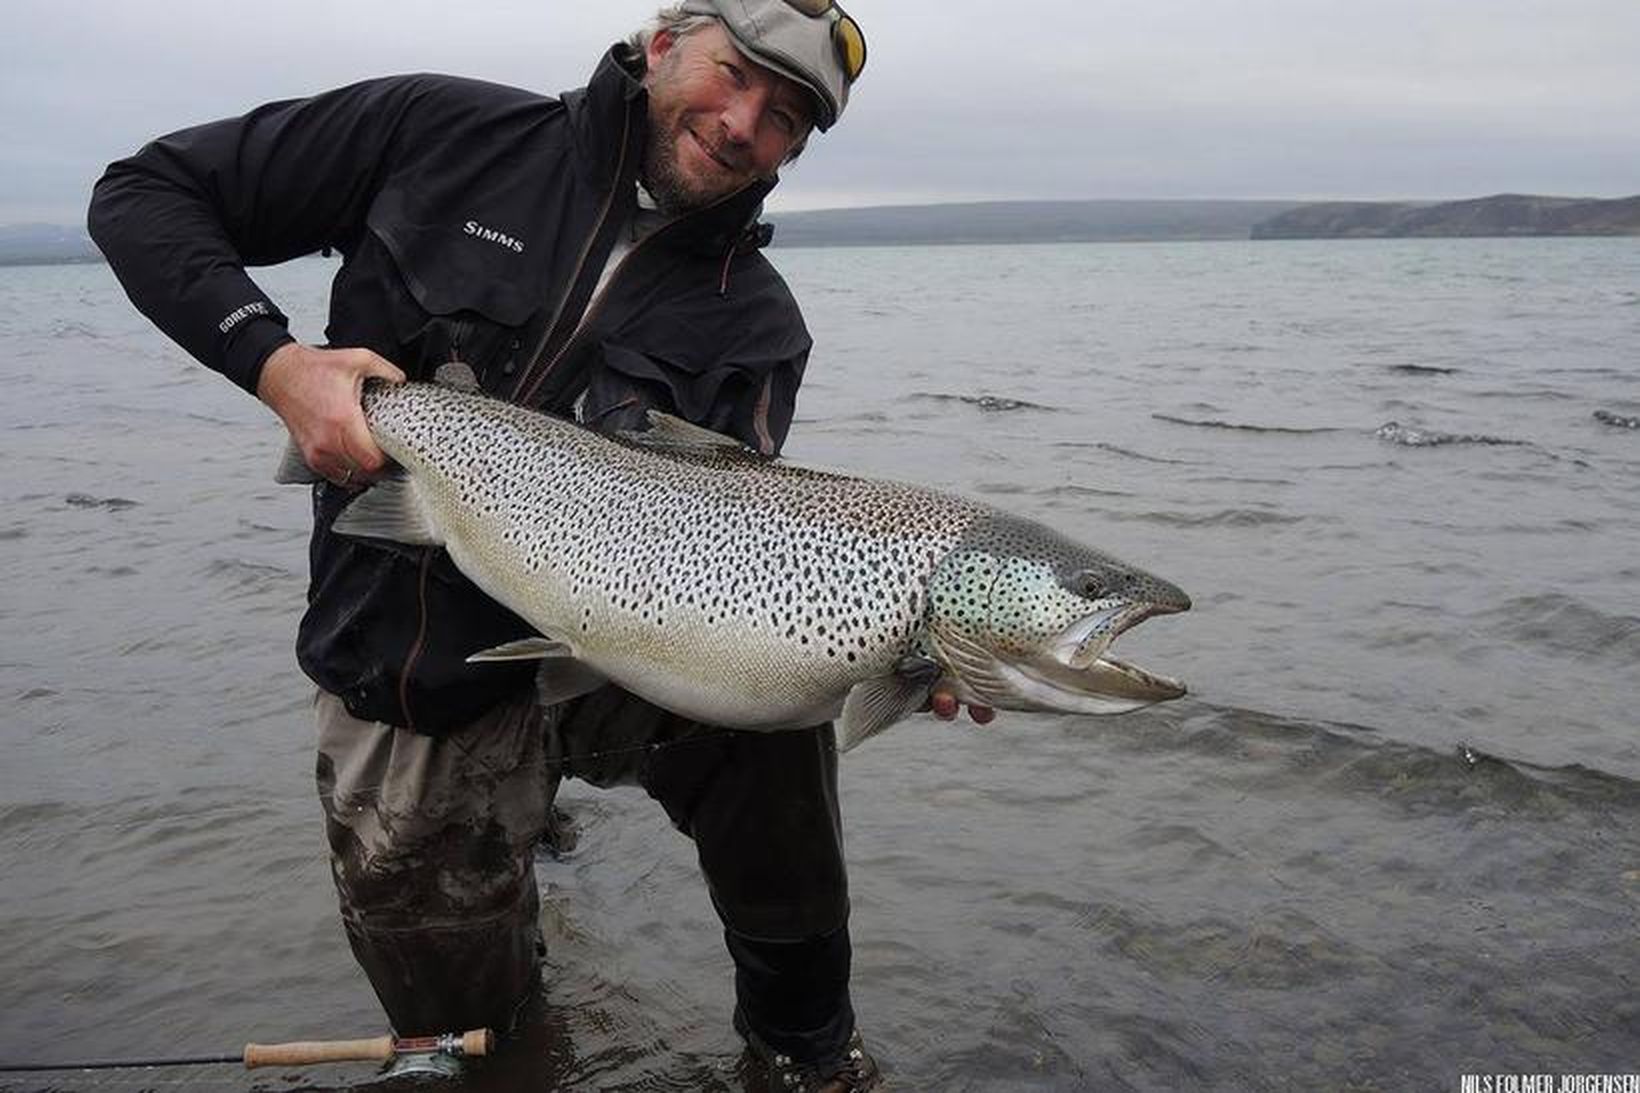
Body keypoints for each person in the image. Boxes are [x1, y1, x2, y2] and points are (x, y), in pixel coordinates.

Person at [90, 3, 984, 1088]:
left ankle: (802, 1051)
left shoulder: (756, 320)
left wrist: (902, 652)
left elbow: (741, 539)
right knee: (476, 1033)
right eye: (736, 74)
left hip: (614, 642)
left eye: (786, 115)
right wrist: (274, 364)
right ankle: (514, 991)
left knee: (783, 727)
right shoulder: (437, 133)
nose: (747, 121)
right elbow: (143, 196)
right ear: (663, 45)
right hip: (411, 662)